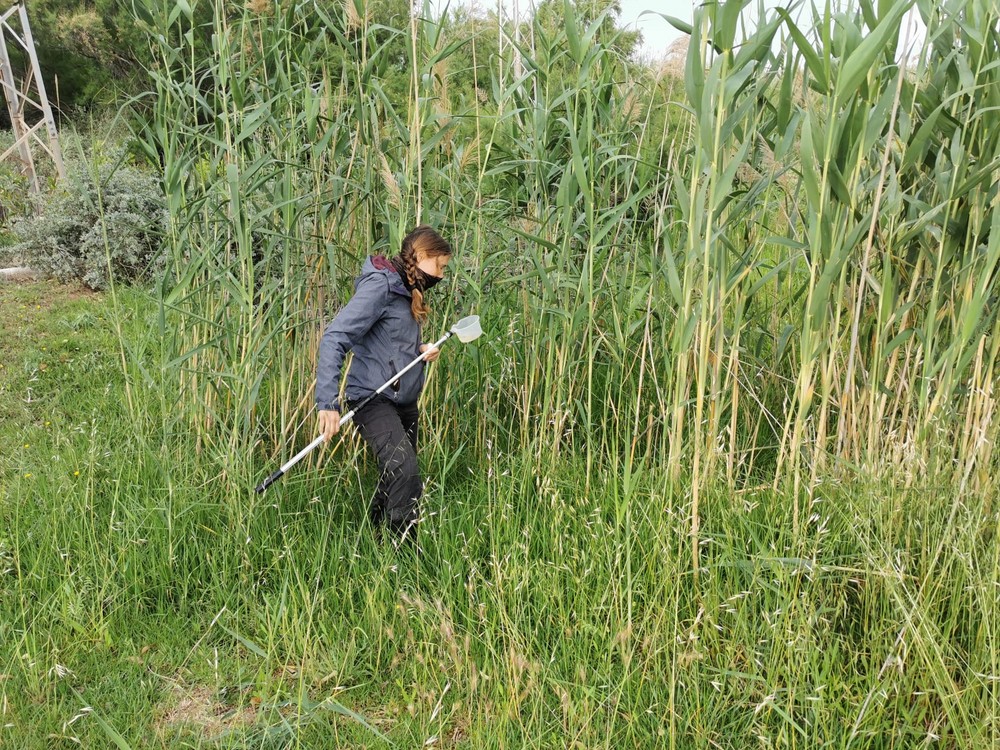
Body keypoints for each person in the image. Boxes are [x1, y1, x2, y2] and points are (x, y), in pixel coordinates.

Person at [315, 225, 452, 543]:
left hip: (403, 400)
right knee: (405, 471)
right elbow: (335, 337)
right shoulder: (381, 286)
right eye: (439, 266)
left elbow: (390, 343)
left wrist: (420, 352)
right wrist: (327, 402)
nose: (442, 276)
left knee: (400, 475)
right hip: (371, 398)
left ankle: (373, 539)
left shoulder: (409, 289)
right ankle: (403, 553)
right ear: (419, 257)